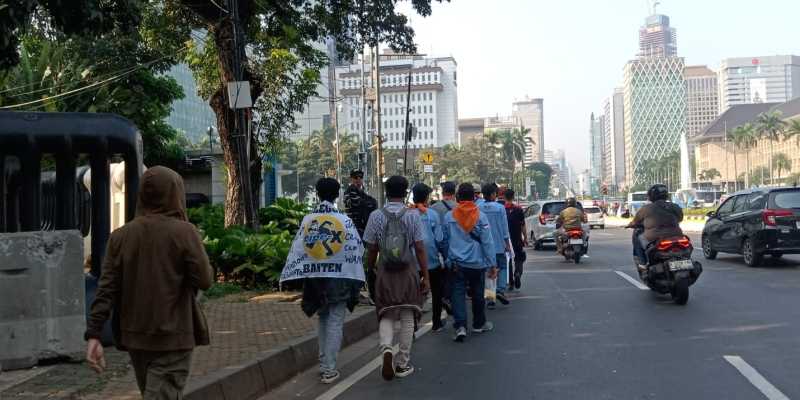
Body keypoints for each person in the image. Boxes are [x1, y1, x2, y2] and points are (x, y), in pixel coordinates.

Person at [85, 166, 213, 399]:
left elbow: (106, 290)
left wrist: (94, 334)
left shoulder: (121, 236)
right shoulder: (185, 232)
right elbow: (205, 280)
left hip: (136, 339)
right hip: (174, 338)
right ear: (176, 193)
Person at [284, 177, 365, 384]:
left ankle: (323, 363)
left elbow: (298, 250)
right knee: (335, 321)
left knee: (322, 318)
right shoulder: (344, 221)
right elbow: (358, 249)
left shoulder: (308, 220)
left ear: (318, 194)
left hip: (315, 279)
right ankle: (329, 368)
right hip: (339, 279)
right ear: (337, 194)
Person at [363, 176, 431, 381]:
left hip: (385, 269)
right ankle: (402, 363)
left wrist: (370, 270)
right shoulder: (412, 216)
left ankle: (386, 350)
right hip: (407, 270)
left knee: (387, 313)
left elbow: (371, 248)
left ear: (386, 191)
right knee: (407, 313)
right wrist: (425, 276)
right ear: (405, 192)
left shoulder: (376, 216)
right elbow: (419, 247)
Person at [443, 183, 497, 342]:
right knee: (478, 293)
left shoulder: (449, 216)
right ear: (474, 197)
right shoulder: (481, 216)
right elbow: (487, 242)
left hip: (457, 263)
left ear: (458, 197)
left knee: (457, 294)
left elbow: (444, 241)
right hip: (477, 263)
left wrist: (448, 258)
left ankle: (460, 326)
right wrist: (492, 264)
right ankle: (479, 324)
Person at [408, 183, 448, 332]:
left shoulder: (407, 214)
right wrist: (445, 256)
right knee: (437, 292)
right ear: (426, 197)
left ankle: (412, 324)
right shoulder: (432, 214)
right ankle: (436, 322)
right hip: (431, 260)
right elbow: (439, 238)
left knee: (413, 293)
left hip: (412, 262)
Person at [626, 184, 684, 270]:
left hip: (655, 239)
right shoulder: (674, 206)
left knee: (637, 233)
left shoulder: (646, 208)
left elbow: (635, 222)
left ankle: (643, 263)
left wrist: (630, 224)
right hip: (677, 237)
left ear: (651, 196)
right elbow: (680, 218)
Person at [478, 183, 511, 308]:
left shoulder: (479, 208)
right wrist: (507, 243)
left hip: (485, 246)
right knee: (502, 267)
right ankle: (500, 290)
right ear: (493, 194)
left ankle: (490, 298)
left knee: (488, 271)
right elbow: (504, 227)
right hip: (498, 244)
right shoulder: (499, 208)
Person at [504, 189, 528, 289]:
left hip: (506, 240)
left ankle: (510, 282)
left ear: (504, 197)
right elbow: (523, 225)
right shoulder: (518, 209)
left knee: (508, 260)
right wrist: (525, 237)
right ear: (513, 197)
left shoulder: (502, 209)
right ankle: (517, 273)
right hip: (517, 239)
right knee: (519, 258)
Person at [344, 169, 377, 239]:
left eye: (360, 177)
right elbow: (358, 203)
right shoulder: (350, 190)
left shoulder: (360, 191)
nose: (358, 180)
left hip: (362, 227)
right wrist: (368, 204)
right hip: (354, 227)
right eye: (356, 177)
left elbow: (373, 202)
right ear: (351, 179)